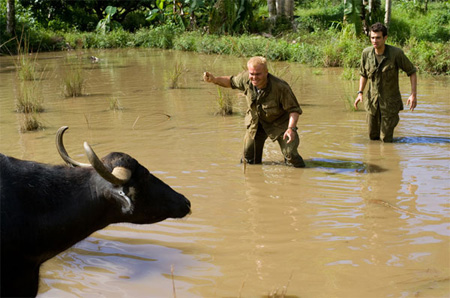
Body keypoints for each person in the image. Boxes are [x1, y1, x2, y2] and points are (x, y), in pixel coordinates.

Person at [203, 56, 305, 167]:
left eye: (258, 74)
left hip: (280, 124)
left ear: (266, 72)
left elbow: (294, 110)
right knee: (249, 159)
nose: (254, 77)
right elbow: (231, 81)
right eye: (252, 74)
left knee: (291, 155)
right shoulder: (245, 79)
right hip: (256, 123)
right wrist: (214, 80)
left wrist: (291, 129)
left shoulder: (280, 87)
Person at [354, 22, 417, 142]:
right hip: (372, 102)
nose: (374, 41)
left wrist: (413, 94)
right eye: (372, 37)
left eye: (378, 38)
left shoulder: (396, 54)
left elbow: (412, 72)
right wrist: (360, 93)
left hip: (389, 103)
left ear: (385, 38)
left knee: (386, 139)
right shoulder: (366, 53)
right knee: (373, 137)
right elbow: (363, 74)